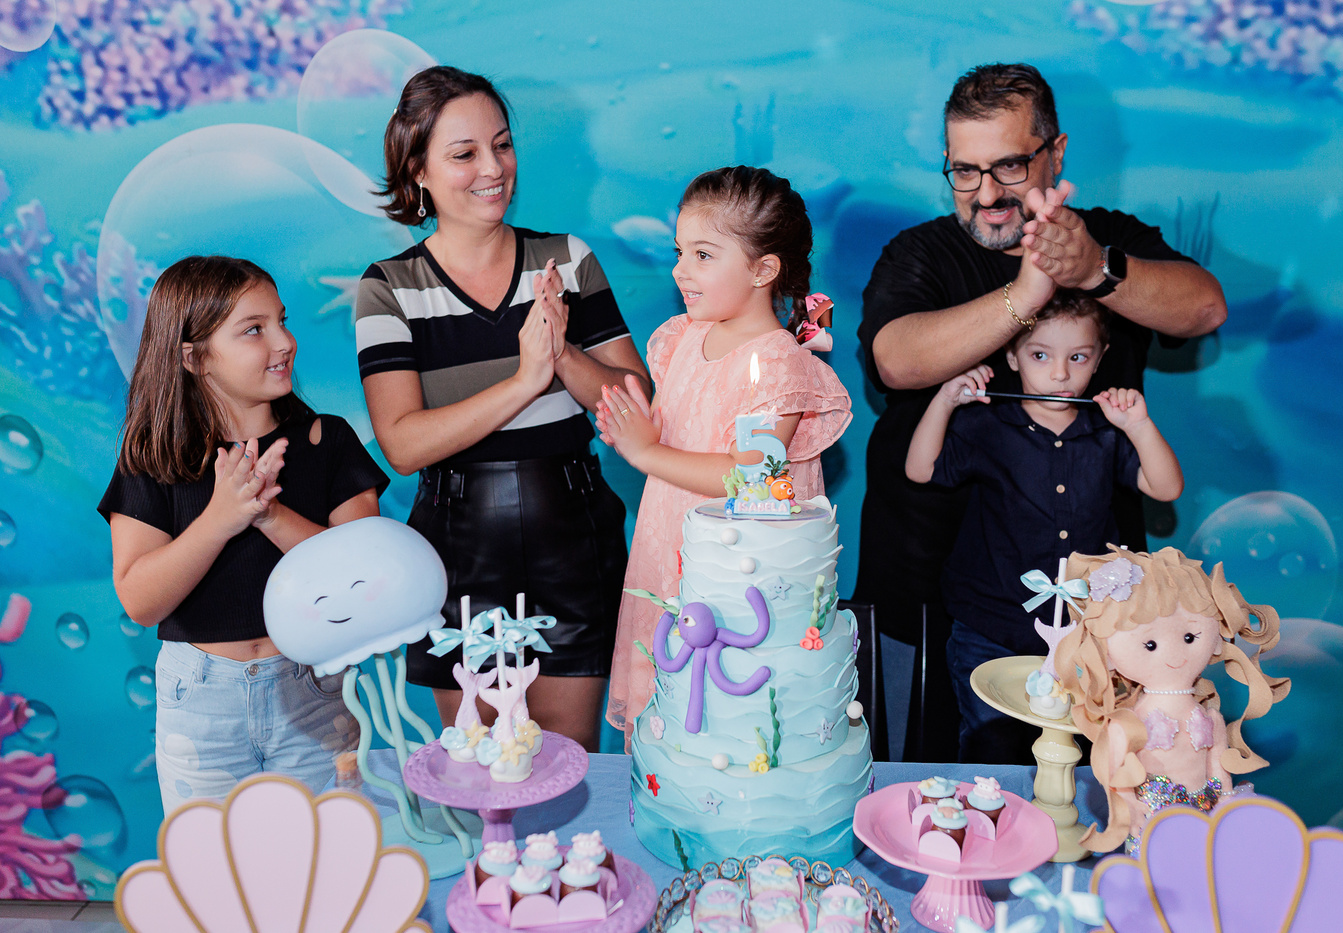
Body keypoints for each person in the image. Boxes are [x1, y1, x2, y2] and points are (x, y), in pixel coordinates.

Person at [855, 62, 1227, 761]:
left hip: (1093, 612)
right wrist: (1025, 296)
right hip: (922, 596)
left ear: (1056, 154)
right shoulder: (919, 253)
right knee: (924, 788)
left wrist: (1092, 271)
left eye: (1009, 166)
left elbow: (1204, 307)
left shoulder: (1109, 240)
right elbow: (896, 361)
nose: (986, 193)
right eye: (964, 171)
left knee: (1086, 787)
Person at [356, 67, 648, 751]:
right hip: (459, 549)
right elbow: (403, 444)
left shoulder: (567, 260)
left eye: (503, 145)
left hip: (573, 535)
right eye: (464, 154)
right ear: (418, 172)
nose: (493, 169)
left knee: (568, 763)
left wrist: (563, 354)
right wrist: (524, 380)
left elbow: (638, 404)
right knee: (479, 765)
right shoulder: (388, 287)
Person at [99, 255, 388, 813]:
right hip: (199, 699)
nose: (284, 342)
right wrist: (220, 517)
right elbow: (139, 600)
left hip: (314, 691)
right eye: (254, 329)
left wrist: (267, 513)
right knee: (213, 861)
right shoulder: (153, 458)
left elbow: (363, 580)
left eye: (282, 321)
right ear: (193, 357)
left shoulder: (328, 441)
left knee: (333, 850)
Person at [598, 166, 852, 744]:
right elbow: (675, 431)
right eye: (679, 251)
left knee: (728, 726)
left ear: (763, 270)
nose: (680, 270)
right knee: (670, 729)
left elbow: (751, 477)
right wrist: (636, 429)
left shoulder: (779, 365)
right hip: (670, 552)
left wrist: (645, 451)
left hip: (737, 576)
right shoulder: (683, 338)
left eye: (703, 255)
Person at [905, 291, 1184, 761]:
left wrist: (1138, 425)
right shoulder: (988, 425)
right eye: (1040, 355)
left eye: (1078, 357)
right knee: (990, 747)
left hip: (1083, 635)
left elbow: (1166, 487)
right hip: (989, 628)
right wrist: (945, 401)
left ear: (1100, 358)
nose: (1059, 374)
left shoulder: (1105, 432)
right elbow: (920, 469)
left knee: (1075, 751)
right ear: (1012, 355)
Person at [1055, 546, 1288, 854]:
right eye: (1150, 644)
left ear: (1216, 641)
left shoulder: (1211, 718)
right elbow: (1118, 772)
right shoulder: (1129, 723)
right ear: (1108, 655)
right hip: (1154, 824)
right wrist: (1129, 805)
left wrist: (1226, 801)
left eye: (1190, 637)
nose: (1174, 653)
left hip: (1205, 819)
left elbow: (1218, 766)